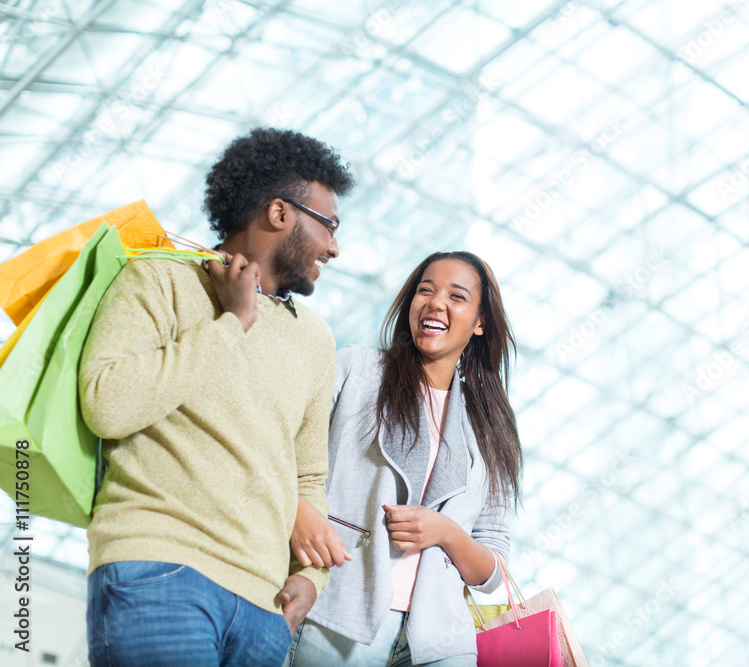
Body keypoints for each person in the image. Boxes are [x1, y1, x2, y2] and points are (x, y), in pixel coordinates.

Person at [79, 127, 354, 666]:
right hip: (158, 570)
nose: (335, 247)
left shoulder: (315, 338)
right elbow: (106, 403)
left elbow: (307, 476)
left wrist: (312, 578)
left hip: (262, 609)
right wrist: (233, 321)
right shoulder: (159, 279)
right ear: (280, 213)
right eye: (330, 225)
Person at [286, 251, 523, 666]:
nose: (435, 303)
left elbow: (492, 572)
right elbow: (284, 447)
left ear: (480, 323)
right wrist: (299, 511)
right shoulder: (358, 370)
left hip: (440, 643)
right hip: (341, 613)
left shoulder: (489, 423)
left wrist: (447, 532)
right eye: (425, 290)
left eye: (457, 296)